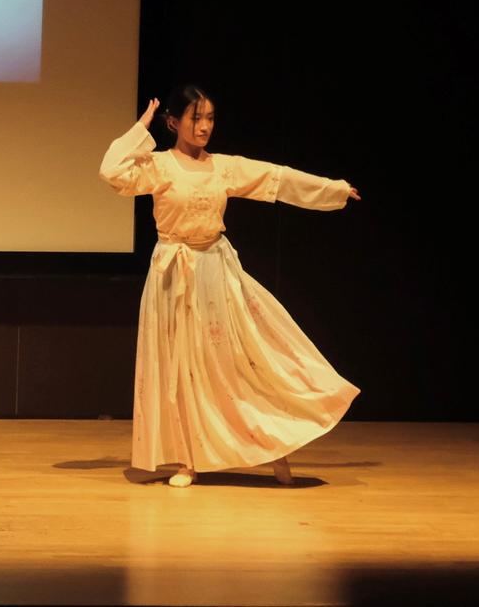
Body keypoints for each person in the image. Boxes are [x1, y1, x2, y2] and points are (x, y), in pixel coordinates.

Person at [99, 87, 360, 487]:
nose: (204, 127)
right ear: (174, 122)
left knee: (239, 363)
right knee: (181, 368)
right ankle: (187, 460)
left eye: (210, 118)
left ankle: (275, 448)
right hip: (173, 274)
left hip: (215, 272)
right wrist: (141, 127)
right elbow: (112, 171)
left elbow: (277, 178)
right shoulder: (158, 166)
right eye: (195, 118)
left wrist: (333, 191)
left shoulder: (223, 167)